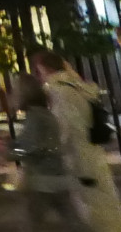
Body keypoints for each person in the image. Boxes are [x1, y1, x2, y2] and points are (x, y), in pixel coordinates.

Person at [30, 51, 121, 232]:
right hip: (92, 156)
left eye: (38, 70)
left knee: (92, 211)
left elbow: (64, 130)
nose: (38, 75)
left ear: (45, 68)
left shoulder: (59, 91)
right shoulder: (78, 86)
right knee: (106, 204)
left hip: (77, 161)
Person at [12, 75, 85, 229]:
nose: (12, 96)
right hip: (58, 175)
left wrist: (10, 150)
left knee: (31, 223)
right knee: (73, 221)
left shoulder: (34, 117)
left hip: (41, 179)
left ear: (24, 95)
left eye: (15, 92)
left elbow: (29, 147)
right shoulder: (46, 114)